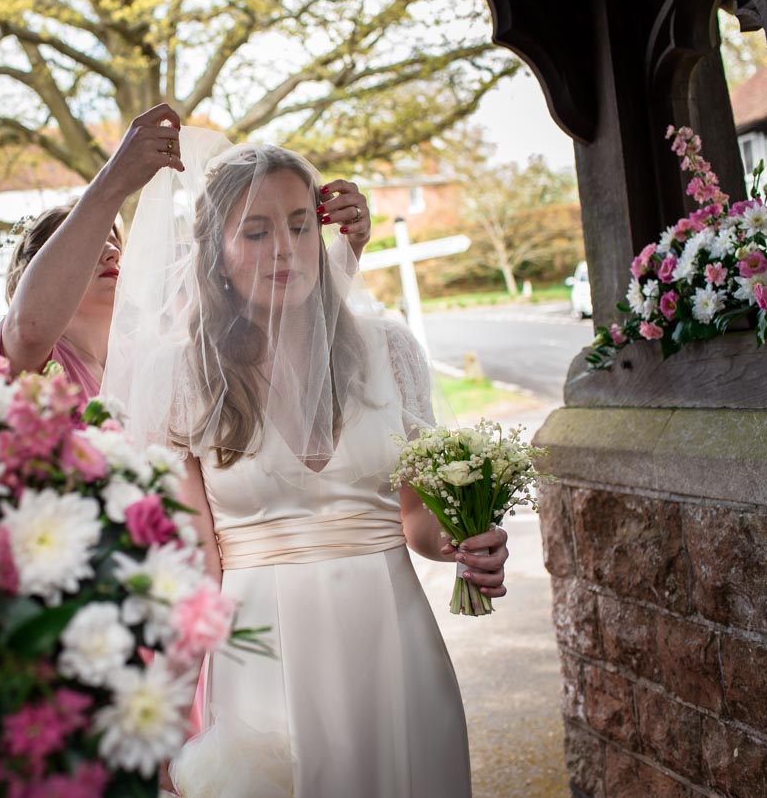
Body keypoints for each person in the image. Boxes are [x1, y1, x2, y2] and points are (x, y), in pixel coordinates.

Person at [105, 131, 509, 797]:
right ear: (215, 253)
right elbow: (195, 562)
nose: (285, 250)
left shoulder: (390, 348)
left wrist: (465, 544)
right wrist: (170, 715)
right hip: (262, 651)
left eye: (298, 225)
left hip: (393, 640)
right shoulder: (179, 377)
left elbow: (415, 517)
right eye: (256, 232)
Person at [0, 104, 375, 398]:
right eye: (90, 244)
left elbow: (277, 314)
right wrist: (114, 182)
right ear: (32, 274)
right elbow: (29, 327)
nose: (110, 252)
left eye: (114, 240)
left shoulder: (159, 351)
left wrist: (347, 247)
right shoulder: (30, 360)